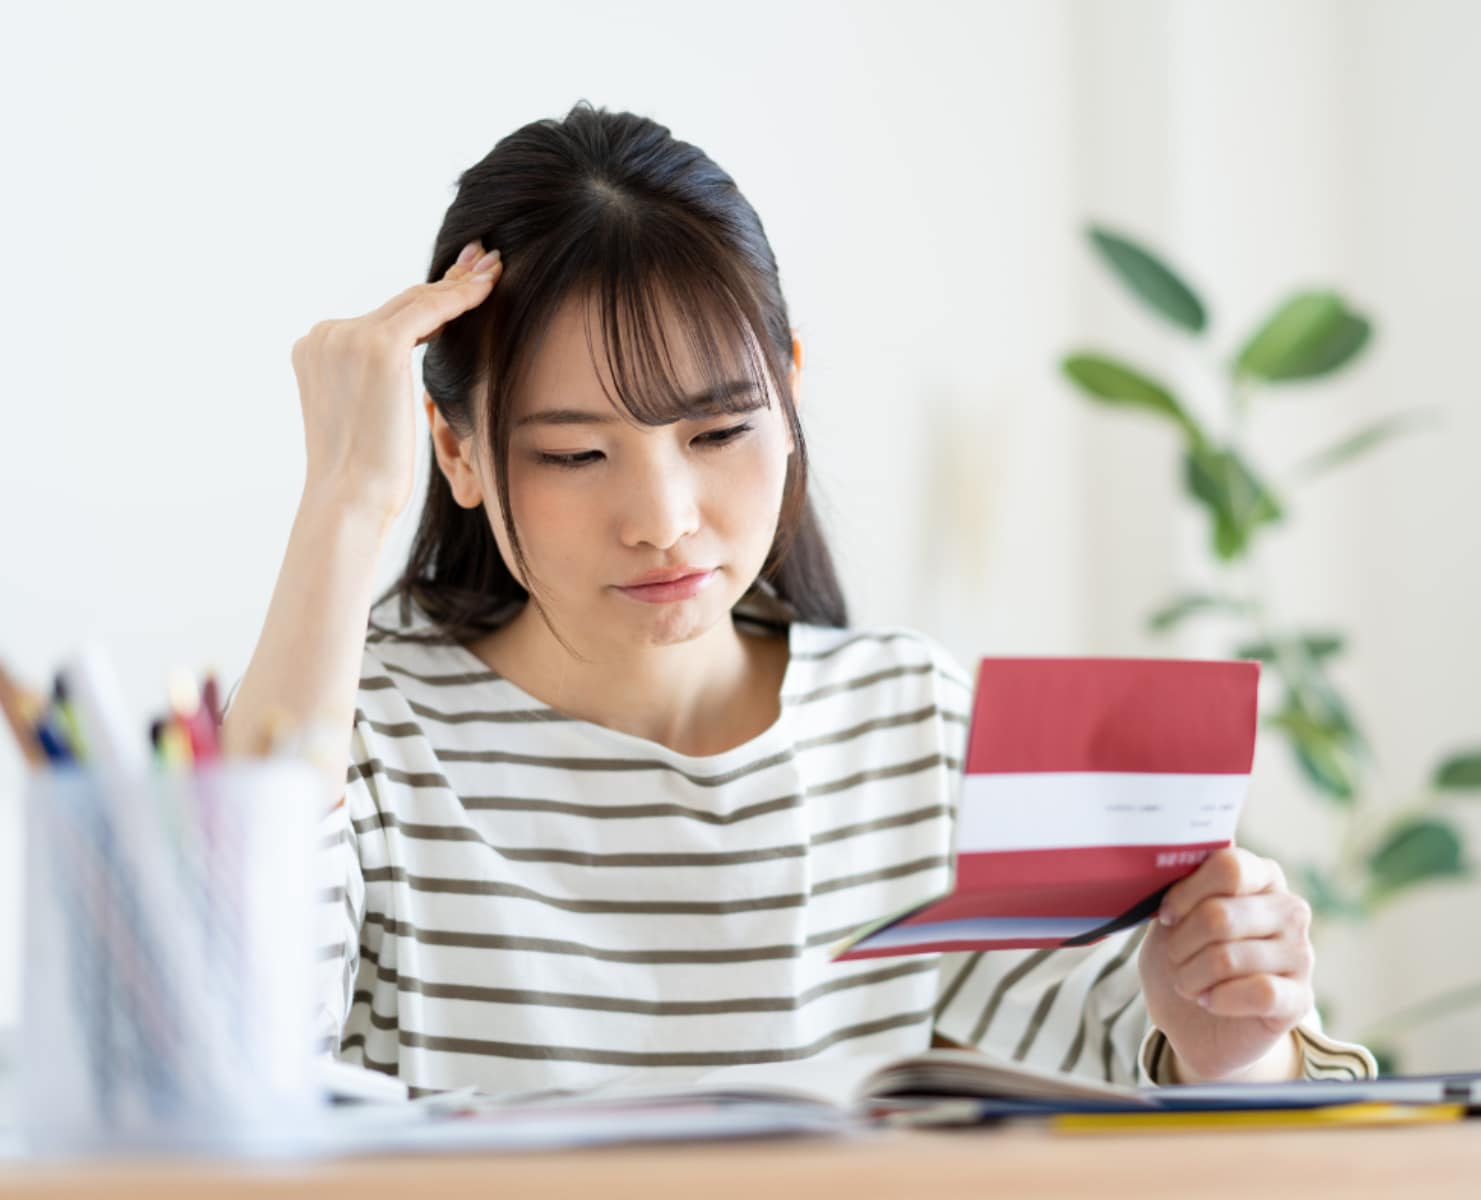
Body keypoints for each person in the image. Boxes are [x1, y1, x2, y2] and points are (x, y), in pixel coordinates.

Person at [221, 101, 1376, 1099]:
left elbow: (1165, 1070)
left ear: (792, 395)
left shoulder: (909, 722)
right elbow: (211, 1057)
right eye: (576, 455)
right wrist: (342, 505)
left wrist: (1228, 1042)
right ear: (458, 453)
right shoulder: (346, 725)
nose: (663, 518)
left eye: (720, 431)